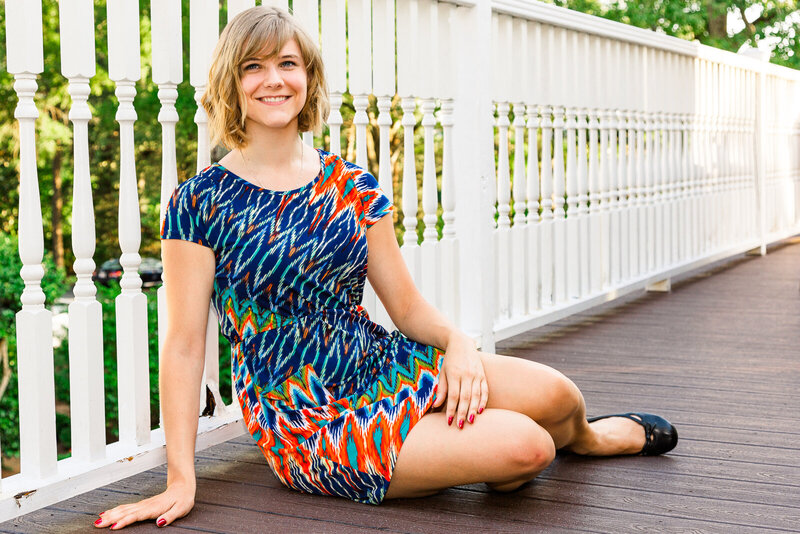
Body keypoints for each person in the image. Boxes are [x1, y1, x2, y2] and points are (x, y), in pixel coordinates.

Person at [93, 6, 677, 530]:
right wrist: (181, 477)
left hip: (378, 360)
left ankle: (590, 437)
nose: (273, 79)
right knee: (526, 448)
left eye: (287, 64)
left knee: (556, 394)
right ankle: (491, 454)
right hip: (304, 413)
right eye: (253, 67)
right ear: (231, 84)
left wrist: (458, 345)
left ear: (309, 78)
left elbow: (406, 308)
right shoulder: (200, 202)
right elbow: (185, 345)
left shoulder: (352, 186)